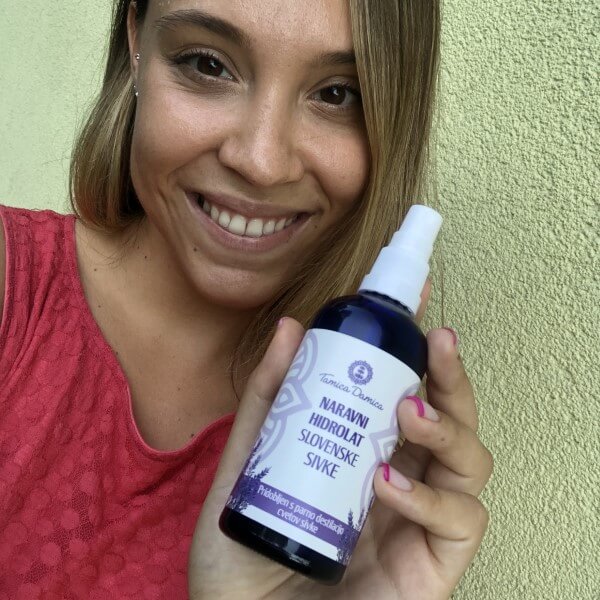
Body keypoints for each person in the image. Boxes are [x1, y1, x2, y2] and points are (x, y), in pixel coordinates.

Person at [0, 0, 493, 598]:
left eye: (337, 94)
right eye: (208, 64)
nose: (261, 163)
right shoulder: (15, 286)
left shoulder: (354, 456)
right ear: (135, 42)